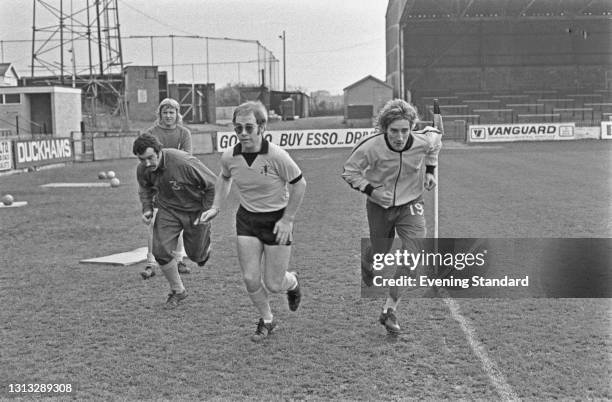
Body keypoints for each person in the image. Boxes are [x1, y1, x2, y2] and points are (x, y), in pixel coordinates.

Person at [199, 101, 306, 342]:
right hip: (247, 219)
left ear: (261, 127)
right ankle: (267, 320)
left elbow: (300, 184)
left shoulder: (276, 155)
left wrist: (288, 219)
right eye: (238, 129)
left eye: (249, 127)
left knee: (274, 283)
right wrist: (216, 206)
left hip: (277, 220)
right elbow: (224, 178)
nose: (243, 134)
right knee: (250, 278)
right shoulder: (230, 156)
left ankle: (293, 282)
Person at [341, 99, 442, 334]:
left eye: (405, 130)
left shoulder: (424, 140)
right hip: (379, 207)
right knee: (380, 250)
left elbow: (435, 146)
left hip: (411, 204)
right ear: (384, 129)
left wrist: (430, 171)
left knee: (412, 255)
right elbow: (349, 172)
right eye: (394, 131)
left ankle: (389, 310)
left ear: (412, 128)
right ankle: (369, 260)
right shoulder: (369, 146)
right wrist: (372, 191)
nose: (399, 137)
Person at [133, 133, 215, 309]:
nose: (147, 164)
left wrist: (207, 211)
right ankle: (178, 290)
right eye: (142, 159)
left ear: (159, 151)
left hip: (195, 210)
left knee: (196, 256)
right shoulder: (143, 169)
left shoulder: (183, 162)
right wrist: (147, 208)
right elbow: (145, 189)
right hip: (168, 210)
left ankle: (204, 249)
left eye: (150, 158)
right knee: (160, 250)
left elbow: (212, 184)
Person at [140, 98, 193, 279]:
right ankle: (150, 263)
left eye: (172, 112)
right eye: (165, 112)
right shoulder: (151, 133)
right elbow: (148, 159)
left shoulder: (184, 133)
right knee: (154, 223)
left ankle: (179, 260)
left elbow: (186, 158)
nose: (169, 116)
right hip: (156, 183)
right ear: (160, 114)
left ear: (177, 114)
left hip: (178, 183)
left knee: (178, 222)